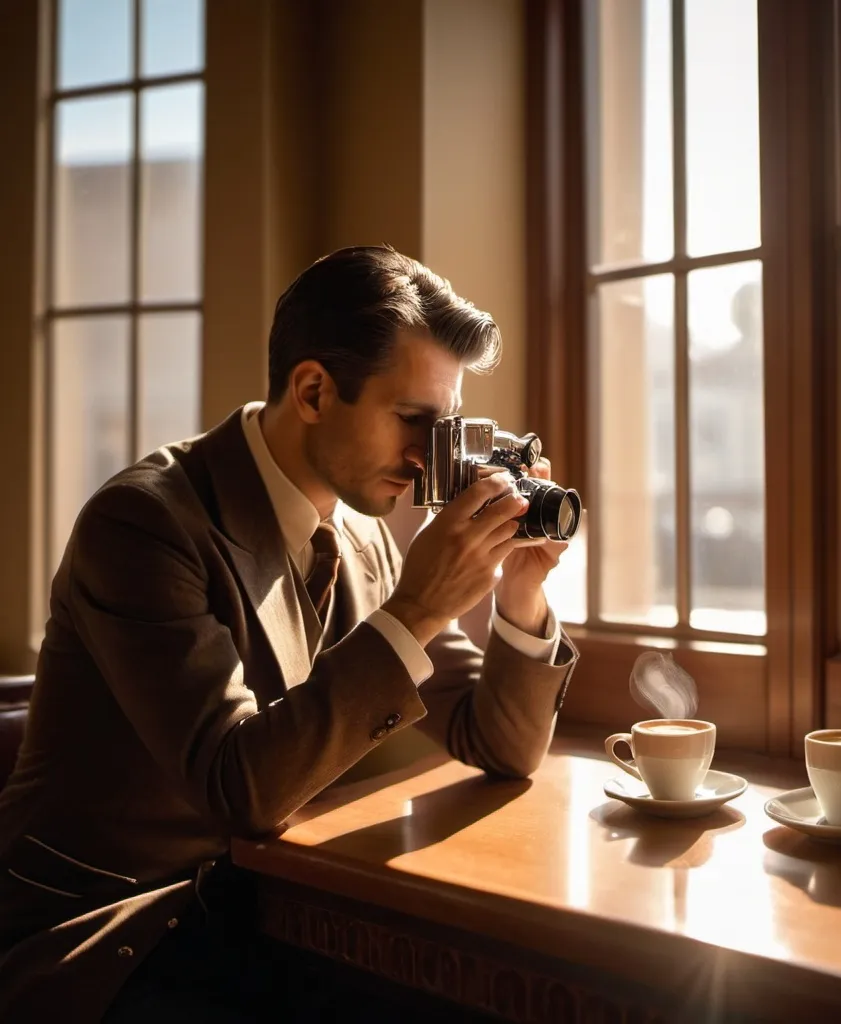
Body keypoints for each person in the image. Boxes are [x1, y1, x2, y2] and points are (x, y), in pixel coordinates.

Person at [0, 245, 579, 1020]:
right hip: (111, 929)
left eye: (443, 427)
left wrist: (521, 590)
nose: (423, 457)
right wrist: (416, 610)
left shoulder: (362, 532)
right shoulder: (143, 524)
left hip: (260, 904)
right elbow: (238, 788)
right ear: (312, 390)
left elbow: (499, 744)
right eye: (413, 420)